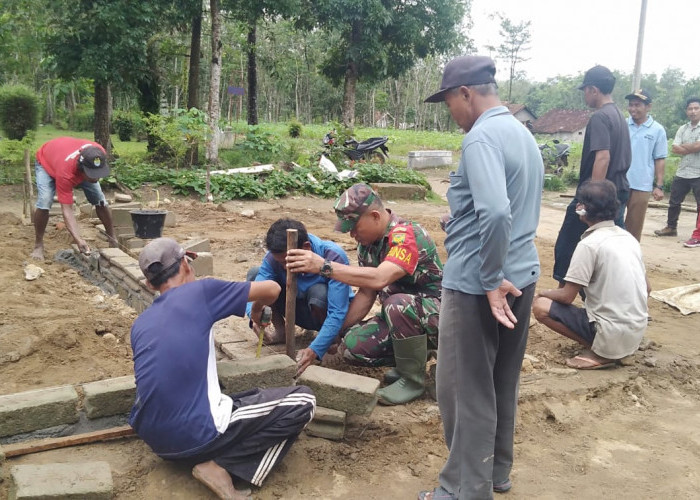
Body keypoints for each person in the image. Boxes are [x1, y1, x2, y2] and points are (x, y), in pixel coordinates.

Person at [418, 55, 543, 500]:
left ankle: (463, 489)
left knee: (464, 389)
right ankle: (495, 472)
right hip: (522, 274)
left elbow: (494, 211)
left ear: (466, 93)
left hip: (479, 284)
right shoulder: (522, 135)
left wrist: (489, 279)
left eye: (449, 101)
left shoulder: (481, 137)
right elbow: (504, 207)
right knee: (500, 380)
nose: (450, 112)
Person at [129, 238, 316, 500]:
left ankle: (211, 453)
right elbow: (272, 289)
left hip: (157, 443)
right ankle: (221, 466)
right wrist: (257, 310)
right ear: (186, 264)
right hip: (196, 436)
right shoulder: (202, 292)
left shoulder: (141, 323)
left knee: (246, 396)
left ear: (149, 284)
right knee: (303, 400)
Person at [286, 183, 443, 406]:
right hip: (403, 318)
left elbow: (380, 278)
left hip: (442, 316)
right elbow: (366, 293)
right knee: (352, 346)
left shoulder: (407, 235)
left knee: (396, 303)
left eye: (354, 226)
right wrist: (333, 334)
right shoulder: (368, 246)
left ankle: (412, 379)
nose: (351, 234)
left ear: (375, 216)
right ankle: (414, 357)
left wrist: (324, 267)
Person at [533, 180, 648, 369]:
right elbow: (648, 288)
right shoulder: (629, 239)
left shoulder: (589, 244)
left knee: (541, 306)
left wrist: (542, 292)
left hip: (610, 332)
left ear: (583, 209)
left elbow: (567, 297)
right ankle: (616, 347)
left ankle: (601, 353)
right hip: (636, 332)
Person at [553, 65, 631, 283]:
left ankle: (563, 290)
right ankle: (636, 289)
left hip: (600, 195)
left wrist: (590, 199)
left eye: (585, 90)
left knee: (568, 242)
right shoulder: (618, 116)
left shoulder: (600, 117)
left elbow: (603, 157)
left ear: (594, 90)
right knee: (616, 244)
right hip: (618, 191)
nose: (585, 95)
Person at [245, 218, 353, 375]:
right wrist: (253, 313)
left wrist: (315, 349)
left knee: (319, 292)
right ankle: (281, 332)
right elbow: (258, 288)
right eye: (281, 263)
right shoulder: (273, 258)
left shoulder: (332, 256)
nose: (285, 267)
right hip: (293, 308)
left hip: (321, 313)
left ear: (306, 248)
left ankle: (331, 342)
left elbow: (337, 311)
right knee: (255, 274)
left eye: (288, 261)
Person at [30, 136, 117, 260]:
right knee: (45, 200)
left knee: (100, 199)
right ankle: (38, 244)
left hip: (64, 154)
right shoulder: (65, 173)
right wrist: (78, 239)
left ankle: (112, 238)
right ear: (82, 170)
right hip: (47, 161)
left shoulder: (98, 153)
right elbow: (67, 210)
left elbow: (94, 180)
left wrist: (91, 175)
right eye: (93, 175)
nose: (96, 179)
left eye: (98, 174)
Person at [654, 97, 700, 248]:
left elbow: (691, 147)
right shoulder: (683, 128)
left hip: (698, 172)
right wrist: (693, 146)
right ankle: (671, 227)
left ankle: (698, 235)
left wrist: (685, 147)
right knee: (674, 202)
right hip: (683, 171)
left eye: (696, 108)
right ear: (686, 111)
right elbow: (674, 148)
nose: (693, 111)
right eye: (690, 109)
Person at [623, 89, 668, 241]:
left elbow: (660, 158)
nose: (633, 109)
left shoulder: (657, 130)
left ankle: (630, 260)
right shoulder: (623, 125)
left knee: (633, 227)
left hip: (641, 185)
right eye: (630, 105)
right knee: (612, 223)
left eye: (637, 105)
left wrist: (659, 185)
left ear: (648, 107)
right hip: (620, 182)